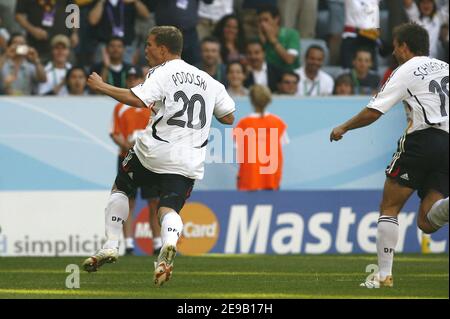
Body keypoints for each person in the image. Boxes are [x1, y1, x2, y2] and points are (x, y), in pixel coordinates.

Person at [82, 26, 235, 287]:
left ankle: (110, 244)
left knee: (122, 185)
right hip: (188, 160)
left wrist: (101, 86)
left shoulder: (162, 72)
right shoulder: (210, 81)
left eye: (149, 45)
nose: (146, 51)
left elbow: (137, 99)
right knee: (168, 208)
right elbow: (229, 117)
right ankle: (169, 245)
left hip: (154, 151)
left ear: (163, 49)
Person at [330, 23, 449, 288]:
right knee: (427, 221)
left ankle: (383, 275)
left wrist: (343, 128)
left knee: (389, 207)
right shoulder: (445, 67)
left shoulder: (405, 70)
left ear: (405, 47)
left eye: (396, 46)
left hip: (423, 139)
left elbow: (374, 112)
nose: (394, 52)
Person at [110, 66, 162, 256]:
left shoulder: (151, 104)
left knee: (154, 201)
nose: (133, 81)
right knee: (128, 202)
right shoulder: (120, 107)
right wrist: (127, 145)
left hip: (149, 158)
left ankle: (157, 243)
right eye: (130, 77)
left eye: (136, 77)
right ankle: (129, 244)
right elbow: (114, 133)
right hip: (128, 157)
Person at [234, 84, 288, 191]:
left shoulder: (243, 124)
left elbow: (239, 151)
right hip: (272, 179)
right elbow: (281, 146)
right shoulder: (278, 122)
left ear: (251, 100)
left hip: (249, 179)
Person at [257, 4, 301, 72]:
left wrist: (274, 41)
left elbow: (289, 60)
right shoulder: (258, 39)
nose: (262, 24)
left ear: (276, 19)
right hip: (270, 77)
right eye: (260, 21)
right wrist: (262, 44)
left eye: (266, 20)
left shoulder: (292, 35)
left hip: (289, 75)